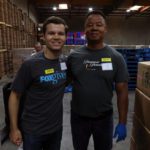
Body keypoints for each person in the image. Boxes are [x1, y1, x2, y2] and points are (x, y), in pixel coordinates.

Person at [67, 11, 129, 150]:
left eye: (99, 25)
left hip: (104, 119)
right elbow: (64, 82)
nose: (94, 28)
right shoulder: (74, 57)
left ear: (105, 29)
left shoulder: (116, 57)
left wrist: (123, 122)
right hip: (78, 118)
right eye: (90, 25)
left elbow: (122, 91)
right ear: (85, 30)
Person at [8, 16, 68, 150]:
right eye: (51, 33)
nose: (56, 37)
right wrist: (14, 128)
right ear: (44, 36)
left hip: (55, 129)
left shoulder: (65, 62)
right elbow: (15, 96)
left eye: (60, 33)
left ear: (65, 37)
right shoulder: (30, 64)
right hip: (32, 131)